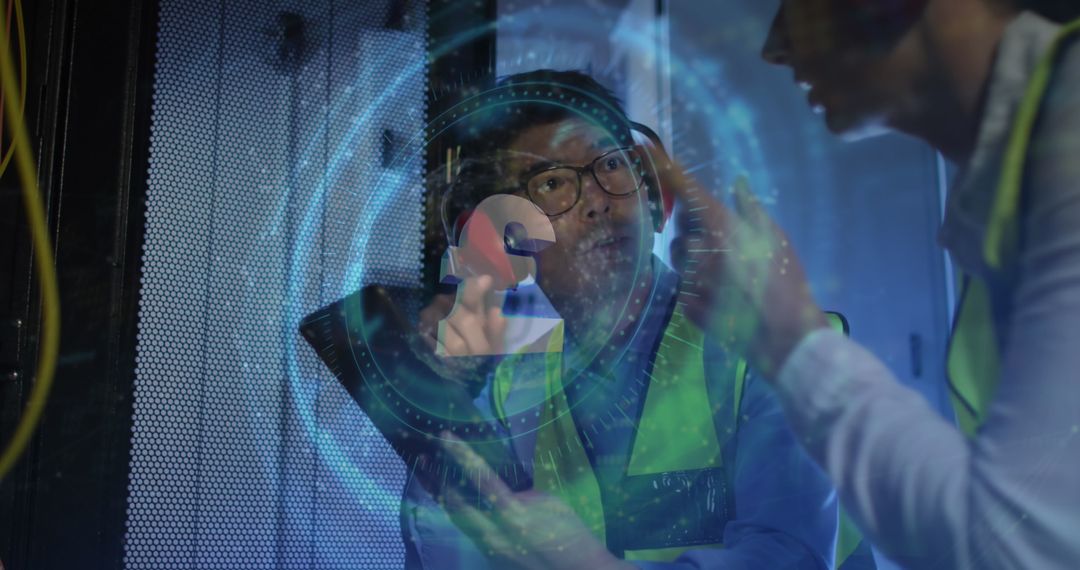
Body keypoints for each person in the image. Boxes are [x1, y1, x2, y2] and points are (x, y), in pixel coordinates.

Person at [664, 1, 1080, 568]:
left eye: (793, 8)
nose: (775, 47)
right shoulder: (1016, 186)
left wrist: (786, 337)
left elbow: (1015, 542)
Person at [400, 70, 839, 569]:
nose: (597, 201)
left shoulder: (764, 345)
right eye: (551, 183)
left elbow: (792, 556)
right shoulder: (511, 382)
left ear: (651, 193)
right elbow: (444, 552)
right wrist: (439, 399)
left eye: (611, 165)